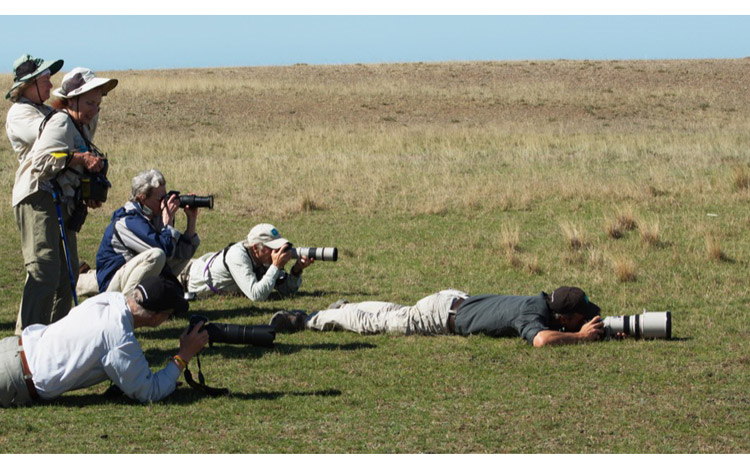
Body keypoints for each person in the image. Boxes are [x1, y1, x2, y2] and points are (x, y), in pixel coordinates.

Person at [12, 67, 117, 333]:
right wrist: (79, 159)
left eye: (98, 103)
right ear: (72, 100)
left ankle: (54, 342)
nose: (94, 109)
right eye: (90, 102)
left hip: (62, 204)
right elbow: (42, 162)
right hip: (40, 197)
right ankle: (25, 347)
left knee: (67, 276)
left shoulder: (79, 127)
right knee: (45, 272)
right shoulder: (60, 122)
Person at [0, 274, 208, 407]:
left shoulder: (109, 299)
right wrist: (183, 356)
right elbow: (149, 392)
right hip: (13, 379)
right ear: (156, 317)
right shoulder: (118, 338)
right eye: (169, 314)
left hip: (12, 347)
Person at [269, 286, 606, 347]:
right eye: (581, 317)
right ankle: (308, 319)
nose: (586, 321)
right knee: (381, 321)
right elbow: (541, 341)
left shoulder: (540, 305)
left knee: (390, 312)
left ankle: (342, 309)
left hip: (454, 301)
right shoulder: (535, 315)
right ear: (563, 317)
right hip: (439, 316)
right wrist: (580, 338)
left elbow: (547, 330)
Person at [79, 169, 201, 297]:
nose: (164, 203)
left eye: (165, 196)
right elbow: (164, 251)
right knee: (156, 255)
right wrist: (168, 221)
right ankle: (127, 305)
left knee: (175, 254)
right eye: (160, 199)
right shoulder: (128, 221)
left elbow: (181, 253)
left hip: (131, 277)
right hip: (112, 286)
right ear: (142, 198)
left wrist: (191, 219)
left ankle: (154, 299)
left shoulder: (154, 216)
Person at [179, 223, 313, 301]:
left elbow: (286, 292)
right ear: (256, 247)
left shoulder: (265, 259)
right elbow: (256, 295)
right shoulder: (238, 256)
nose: (277, 250)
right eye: (272, 247)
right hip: (182, 277)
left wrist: (296, 270)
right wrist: (275, 266)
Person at [5, 53, 64, 162]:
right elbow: (51, 134)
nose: (50, 85)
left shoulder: (44, 109)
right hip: (38, 178)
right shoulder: (18, 112)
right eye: (46, 80)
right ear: (30, 84)